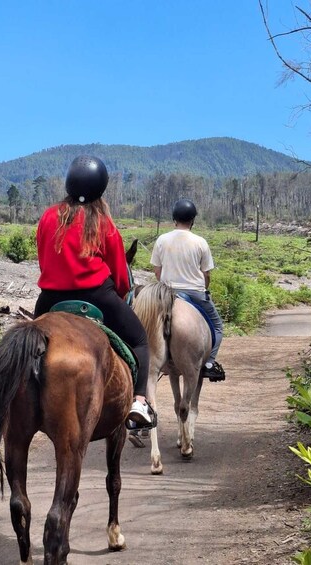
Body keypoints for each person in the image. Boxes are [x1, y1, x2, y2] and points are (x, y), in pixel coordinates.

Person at [34, 155, 152, 426]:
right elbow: (121, 277)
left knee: (28, 345)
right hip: (97, 296)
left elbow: (43, 259)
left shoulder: (49, 217)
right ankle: (140, 402)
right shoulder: (104, 223)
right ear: (101, 188)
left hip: (50, 299)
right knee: (140, 340)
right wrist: (120, 293)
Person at [150, 198, 225, 381]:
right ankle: (209, 363)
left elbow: (157, 272)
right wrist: (203, 288)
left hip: (166, 295)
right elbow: (206, 274)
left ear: (174, 218)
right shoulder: (200, 242)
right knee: (217, 326)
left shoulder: (162, 240)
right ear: (192, 220)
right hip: (194, 293)